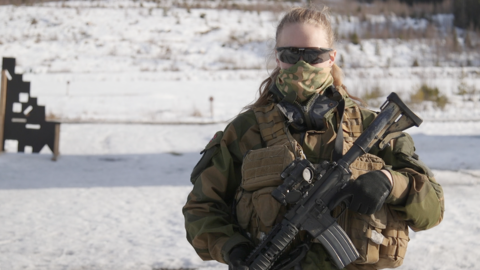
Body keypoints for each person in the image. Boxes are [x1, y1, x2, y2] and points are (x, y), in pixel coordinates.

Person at [183, 5, 444, 270]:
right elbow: (201, 209)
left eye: (313, 55)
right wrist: (232, 248)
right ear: (277, 57)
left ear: (331, 57)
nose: (301, 65)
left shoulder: (372, 129)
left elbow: (433, 209)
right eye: (291, 54)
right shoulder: (245, 131)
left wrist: (391, 183)